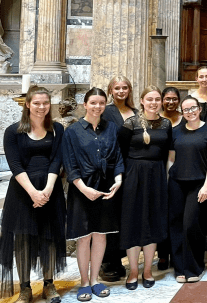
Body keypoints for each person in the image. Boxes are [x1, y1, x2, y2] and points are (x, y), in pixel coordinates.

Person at [0, 87, 66, 303]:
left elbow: (57, 160)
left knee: (49, 238)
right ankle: (26, 288)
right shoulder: (13, 131)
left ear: (50, 104)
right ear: (27, 104)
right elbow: (15, 165)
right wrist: (33, 193)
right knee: (23, 240)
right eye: (36, 103)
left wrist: (46, 190)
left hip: (50, 189)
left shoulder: (57, 129)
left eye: (45, 103)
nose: (41, 107)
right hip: (22, 192)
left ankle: (49, 285)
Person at [62, 87, 124, 302]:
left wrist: (118, 180)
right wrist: (84, 189)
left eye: (101, 103)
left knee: (100, 235)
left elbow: (117, 158)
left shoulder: (112, 129)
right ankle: (84, 282)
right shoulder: (73, 131)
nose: (97, 107)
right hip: (82, 188)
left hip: (106, 187)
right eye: (93, 103)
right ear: (85, 105)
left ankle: (96, 279)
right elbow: (70, 164)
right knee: (84, 237)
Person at [118, 86, 172, 290]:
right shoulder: (130, 124)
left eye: (157, 99)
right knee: (133, 222)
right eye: (149, 99)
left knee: (152, 221)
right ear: (142, 101)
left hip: (157, 175)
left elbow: (167, 153)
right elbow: (121, 153)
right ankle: (133, 270)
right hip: (134, 176)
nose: (154, 103)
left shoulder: (166, 124)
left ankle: (148, 269)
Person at [167, 96, 207, 283]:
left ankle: (195, 267)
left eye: (193, 108)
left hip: (198, 183)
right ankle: (180, 268)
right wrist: (168, 178)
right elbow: (171, 158)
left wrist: (206, 185)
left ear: (199, 109)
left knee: (191, 225)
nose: (190, 112)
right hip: (176, 183)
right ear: (182, 112)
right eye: (186, 109)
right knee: (176, 225)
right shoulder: (175, 131)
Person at [100, 76, 137, 282]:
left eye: (125, 88)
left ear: (129, 90)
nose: (121, 91)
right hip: (111, 169)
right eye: (117, 88)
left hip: (132, 169)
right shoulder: (105, 111)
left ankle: (122, 258)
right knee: (110, 214)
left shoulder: (137, 113)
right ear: (110, 91)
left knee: (126, 215)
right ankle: (108, 260)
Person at [157, 86, 182, 271]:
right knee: (161, 214)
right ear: (162, 100)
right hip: (158, 170)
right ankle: (162, 254)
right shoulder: (156, 120)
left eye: (174, 99)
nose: (171, 102)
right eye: (167, 99)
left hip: (179, 171)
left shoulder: (184, 119)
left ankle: (176, 252)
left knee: (176, 215)